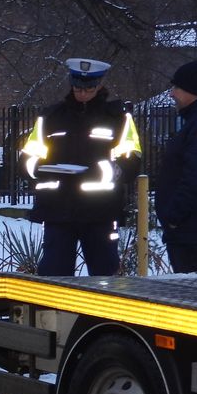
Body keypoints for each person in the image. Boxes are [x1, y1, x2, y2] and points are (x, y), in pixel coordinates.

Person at [20, 58, 141, 276]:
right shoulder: (51, 117)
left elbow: (131, 160)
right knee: (54, 277)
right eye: (78, 87)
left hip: (100, 211)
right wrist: (37, 167)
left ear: (100, 85)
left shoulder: (118, 118)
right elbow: (29, 156)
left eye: (89, 88)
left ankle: (98, 312)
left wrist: (106, 171)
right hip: (57, 208)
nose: (83, 93)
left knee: (104, 279)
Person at [156, 60, 197, 273]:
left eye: (176, 88)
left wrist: (173, 216)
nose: (172, 94)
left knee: (196, 297)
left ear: (193, 89)